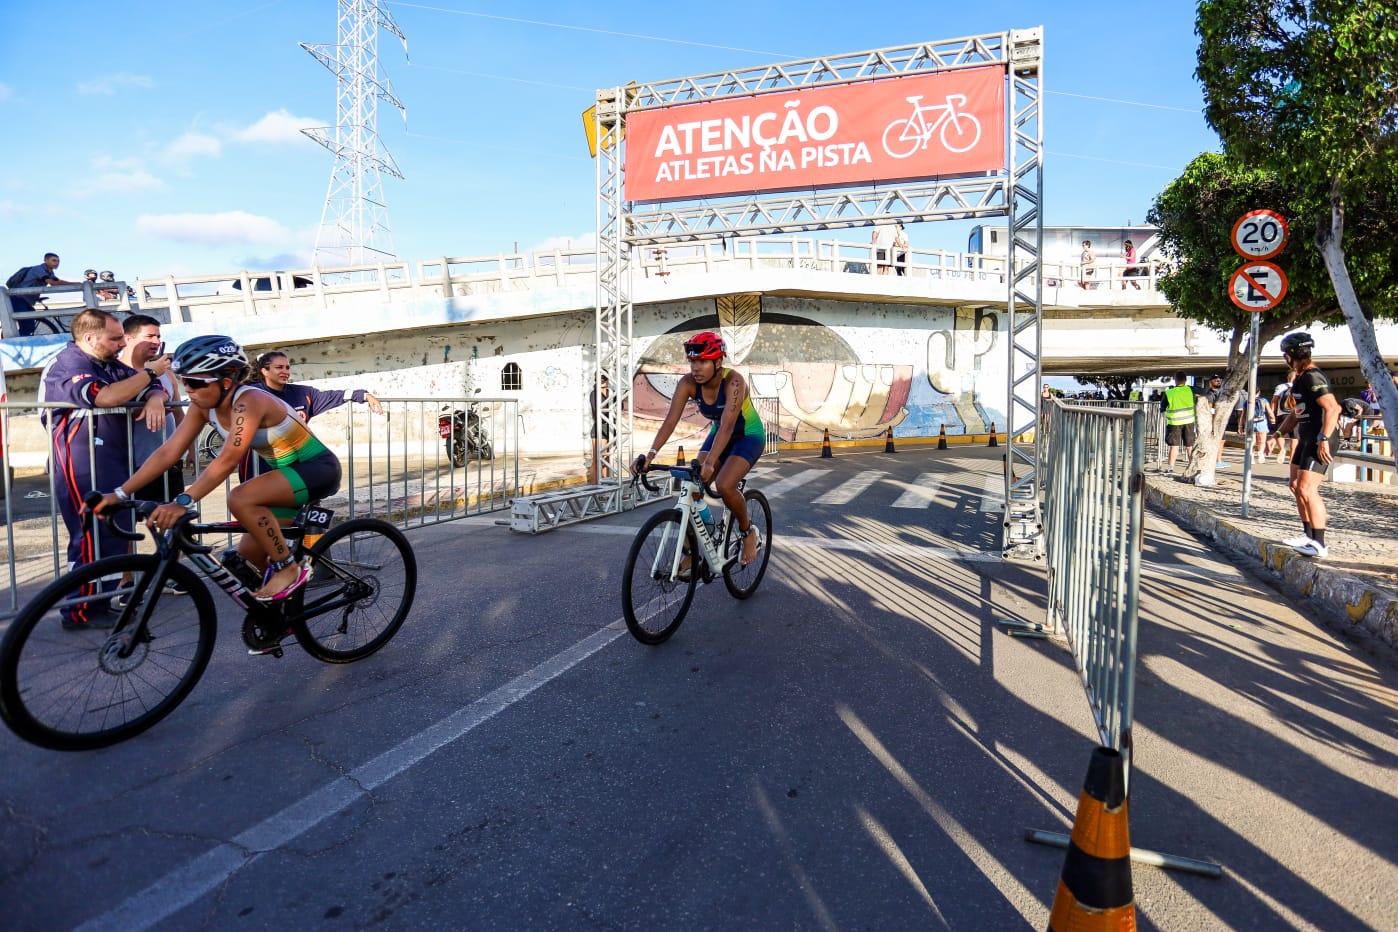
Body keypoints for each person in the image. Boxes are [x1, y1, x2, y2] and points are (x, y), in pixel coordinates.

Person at [92, 336, 343, 601]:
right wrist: (120, 494)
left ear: (225, 382)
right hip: (287, 479)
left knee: (240, 497)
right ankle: (282, 612)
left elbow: (228, 458)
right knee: (247, 558)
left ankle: (287, 568)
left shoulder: (250, 401)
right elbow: (168, 452)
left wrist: (183, 501)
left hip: (317, 470)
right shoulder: (203, 406)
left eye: (195, 382)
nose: (188, 389)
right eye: (184, 381)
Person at [43, 308, 171, 628]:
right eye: (115, 339)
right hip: (81, 460)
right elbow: (106, 397)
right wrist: (151, 374)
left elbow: (146, 386)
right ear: (90, 338)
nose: (122, 344)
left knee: (113, 533)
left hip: (112, 458)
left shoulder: (108, 362)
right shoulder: (70, 363)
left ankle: (100, 603)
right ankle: (79, 611)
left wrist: (155, 396)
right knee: (90, 535)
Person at [641, 331, 764, 567]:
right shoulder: (687, 383)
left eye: (703, 362)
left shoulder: (734, 382)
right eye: (692, 362)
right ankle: (694, 547)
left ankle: (748, 532)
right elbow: (670, 420)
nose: (696, 368)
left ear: (718, 362)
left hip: (747, 436)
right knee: (692, 487)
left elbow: (728, 426)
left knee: (725, 485)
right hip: (719, 435)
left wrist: (710, 463)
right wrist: (651, 454)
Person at [1273, 332, 1342, 559]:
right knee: (1295, 485)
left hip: (1319, 437)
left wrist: (1324, 439)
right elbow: (1296, 412)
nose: (1286, 359)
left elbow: (1333, 408)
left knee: (1307, 489)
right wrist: (1279, 432)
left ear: (1291, 355)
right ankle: (1308, 534)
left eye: (1286, 355)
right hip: (1306, 436)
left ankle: (1319, 544)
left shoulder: (1313, 376)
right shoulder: (1301, 378)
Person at [118, 315, 189, 503]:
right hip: (131, 466)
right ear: (128, 339)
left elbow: (179, 414)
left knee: (172, 516)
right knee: (130, 518)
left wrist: (189, 448)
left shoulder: (167, 374)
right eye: (149, 336)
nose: (156, 342)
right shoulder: (115, 374)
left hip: (169, 464)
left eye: (158, 337)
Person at [8, 253, 77, 336]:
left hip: (27, 300)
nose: (56, 263)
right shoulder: (38, 269)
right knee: (26, 325)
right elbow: (53, 283)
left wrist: (76, 284)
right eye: (54, 260)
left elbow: (58, 282)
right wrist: (76, 284)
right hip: (18, 298)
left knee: (30, 324)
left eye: (58, 261)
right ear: (46, 261)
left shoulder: (50, 273)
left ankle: (24, 339)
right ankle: (19, 341)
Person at [1160, 371, 1197, 475]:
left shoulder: (1169, 392)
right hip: (1189, 421)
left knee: (1174, 446)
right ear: (1185, 380)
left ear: (1175, 380)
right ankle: (1192, 468)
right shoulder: (1191, 390)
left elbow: (1162, 408)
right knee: (1189, 446)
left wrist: (1166, 415)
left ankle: (1170, 469)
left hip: (1174, 422)